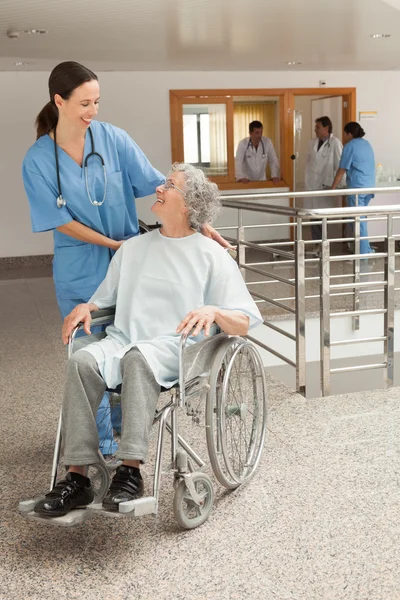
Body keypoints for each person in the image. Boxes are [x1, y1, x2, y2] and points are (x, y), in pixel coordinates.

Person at [22, 61, 230, 456]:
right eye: (84, 103)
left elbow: (161, 187)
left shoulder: (112, 139)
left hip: (133, 265)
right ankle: (97, 446)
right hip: (81, 267)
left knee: (129, 340)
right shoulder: (38, 160)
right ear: (58, 101)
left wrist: (201, 224)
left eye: (97, 102)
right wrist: (117, 245)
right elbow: (59, 220)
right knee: (87, 351)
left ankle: (126, 434)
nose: (93, 111)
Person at [33, 163, 263, 518]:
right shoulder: (134, 249)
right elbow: (104, 299)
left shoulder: (212, 255)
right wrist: (87, 306)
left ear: (188, 204)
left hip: (177, 347)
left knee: (138, 358)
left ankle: (130, 470)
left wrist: (214, 311)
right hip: (124, 338)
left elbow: (245, 320)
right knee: (81, 361)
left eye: (169, 185)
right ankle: (77, 478)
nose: (159, 188)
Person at [331, 122, 376, 255]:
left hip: (357, 189)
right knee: (359, 221)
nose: (344, 136)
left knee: (358, 222)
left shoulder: (350, 146)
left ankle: (363, 255)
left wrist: (332, 188)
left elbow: (341, 170)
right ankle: (366, 249)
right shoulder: (366, 144)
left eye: (345, 134)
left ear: (349, 134)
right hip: (369, 188)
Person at [305, 116, 345, 242]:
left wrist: (340, 186)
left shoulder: (335, 143)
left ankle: (322, 245)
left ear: (326, 128)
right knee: (313, 216)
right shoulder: (312, 143)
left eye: (318, 127)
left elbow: (341, 165)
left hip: (325, 185)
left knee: (322, 218)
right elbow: (308, 164)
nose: (315, 130)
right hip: (312, 185)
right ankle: (316, 243)